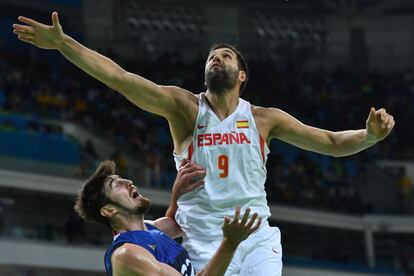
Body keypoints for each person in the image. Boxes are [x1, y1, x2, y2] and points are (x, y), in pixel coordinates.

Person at [13, 12, 395, 275]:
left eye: (225, 55)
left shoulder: (265, 119)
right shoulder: (184, 109)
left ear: (241, 74)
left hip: (257, 235)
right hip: (205, 239)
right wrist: (64, 45)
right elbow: (120, 78)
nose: (216, 58)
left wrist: (369, 136)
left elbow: (330, 141)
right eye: (212, 56)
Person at [74, 159, 262, 276]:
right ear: (108, 210)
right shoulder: (127, 255)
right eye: (117, 186)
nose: (128, 182)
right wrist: (230, 242)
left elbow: (176, 222)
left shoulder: (150, 228)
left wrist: (177, 193)